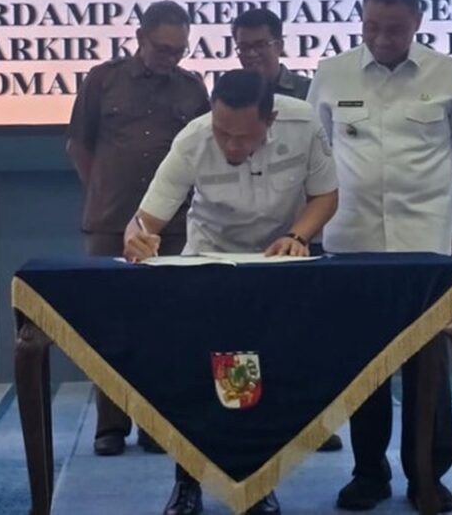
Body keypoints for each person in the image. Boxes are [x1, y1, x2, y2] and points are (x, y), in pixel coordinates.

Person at [307, 0, 452, 512]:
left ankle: (428, 475)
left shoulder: (449, 74)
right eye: (372, 27)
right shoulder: (332, 73)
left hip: (424, 243)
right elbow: (313, 155)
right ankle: (369, 473)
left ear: (417, 22)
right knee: (364, 365)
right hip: (351, 241)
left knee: (426, 364)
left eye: (394, 29)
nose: (382, 38)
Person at [124, 69, 338, 515]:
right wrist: (136, 238)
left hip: (276, 263)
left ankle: (259, 483)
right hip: (210, 262)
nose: (232, 146)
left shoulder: (303, 124)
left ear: (271, 119)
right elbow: (145, 220)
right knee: (198, 379)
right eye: (223, 133)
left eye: (244, 137)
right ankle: (187, 483)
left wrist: (298, 236)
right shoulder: (193, 139)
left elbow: (325, 196)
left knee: (265, 380)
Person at [66, 0, 210, 457]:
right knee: (110, 323)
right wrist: (104, 191)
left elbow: (204, 150)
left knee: (168, 326)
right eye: (163, 49)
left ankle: (157, 424)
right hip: (110, 222)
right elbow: (79, 145)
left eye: (179, 50)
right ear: (140, 38)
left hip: (174, 226)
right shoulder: (102, 80)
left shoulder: (192, 87)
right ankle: (111, 425)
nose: (171, 58)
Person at [230, 6, 343, 453]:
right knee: (245, 337)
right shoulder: (228, 93)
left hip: (299, 232)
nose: (251, 54)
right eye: (243, 47)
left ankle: (313, 424)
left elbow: (325, 167)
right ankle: (250, 422)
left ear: (280, 44)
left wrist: (304, 231)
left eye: (260, 45)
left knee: (303, 336)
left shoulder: (308, 93)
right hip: (239, 236)